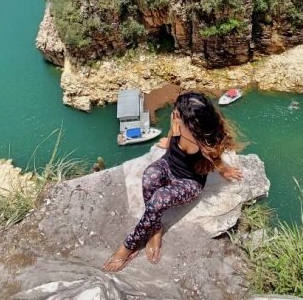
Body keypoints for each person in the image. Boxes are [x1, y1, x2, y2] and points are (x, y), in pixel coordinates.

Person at [103, 91, 244, 272]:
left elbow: (215, 158)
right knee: (149, 175)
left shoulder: (204, 141)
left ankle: (128, 247)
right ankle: (155, 228)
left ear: (192, 126)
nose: (174, 116)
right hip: (168, 164)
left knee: (159, 199)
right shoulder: (177, 119)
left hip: (189, 181)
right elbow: (172, 133)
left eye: (177, 115)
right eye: (176, 113)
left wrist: (225, 170)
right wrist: (168, 141)